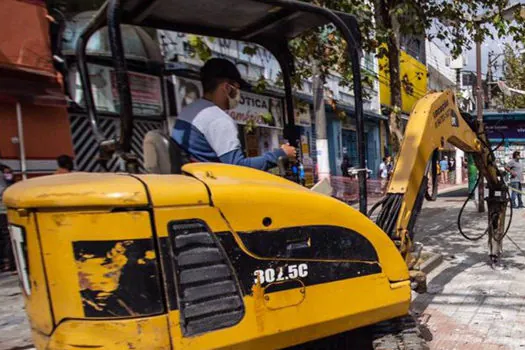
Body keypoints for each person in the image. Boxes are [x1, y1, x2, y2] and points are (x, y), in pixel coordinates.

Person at [172, 58, 296, 171]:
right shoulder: (218, 119)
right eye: (237, 88)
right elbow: (238, 168)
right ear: (227, 88)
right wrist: (280, 154)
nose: (238, 94)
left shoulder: (190, 111)